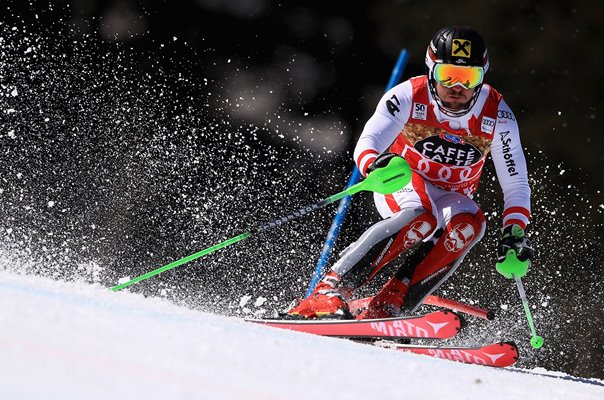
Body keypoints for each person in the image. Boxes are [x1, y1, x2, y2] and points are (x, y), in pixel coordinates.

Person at [287, 26, 535, 320]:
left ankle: (392, 302)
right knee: (421, 214)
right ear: (431, 71)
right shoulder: (408, 95)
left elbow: (516, 183)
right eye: (447, 75)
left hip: (450, 196)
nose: (457, 87)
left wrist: (515, 232)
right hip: (403, 182)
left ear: (482, 76)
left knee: (470, 224)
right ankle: (328, 291)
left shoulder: (498, 116)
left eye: (469, 78)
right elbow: (368, 142)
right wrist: (373, 165)